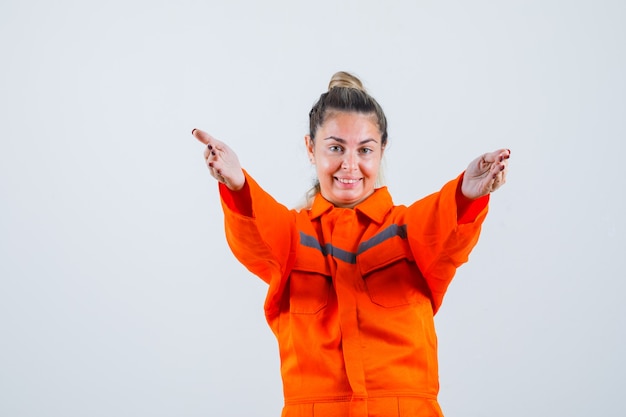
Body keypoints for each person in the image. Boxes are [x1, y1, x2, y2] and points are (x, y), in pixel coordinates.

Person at [192, 71, 510, 417]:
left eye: (365, 150)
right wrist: (238, 185)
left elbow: (441, 225)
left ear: (382, 150)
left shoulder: (405, 231)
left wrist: (466, 193)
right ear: (311, 148)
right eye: (335, 147)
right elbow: (258, 232)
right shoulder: (293, 237)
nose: (350, 165)